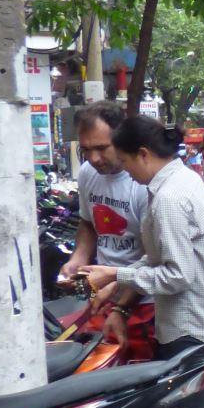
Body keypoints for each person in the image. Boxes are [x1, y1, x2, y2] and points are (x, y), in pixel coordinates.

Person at [81, 116, 204, 408]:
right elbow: (160, 255)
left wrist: (117, 273)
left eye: (127, 162)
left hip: (195, 324)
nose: (127, 171)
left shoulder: (169, 199)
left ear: (143, 154)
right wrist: (118, 280)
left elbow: (177, 275)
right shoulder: (183, 180)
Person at [59, 101, 149, 350]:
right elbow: (88, 224)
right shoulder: (88, 173)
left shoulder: (142, 182)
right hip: (102, 297)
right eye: (86, 150)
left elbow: (155, 257)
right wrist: (78, 257)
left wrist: (120, 298)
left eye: (101, 148)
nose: (93, 159)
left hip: (144, 300)